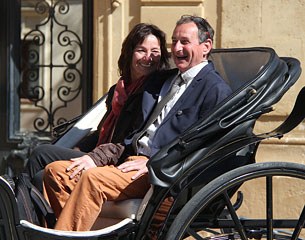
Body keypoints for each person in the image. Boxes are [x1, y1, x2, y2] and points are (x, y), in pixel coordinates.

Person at [43, 15, 233, 231]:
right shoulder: (167, 79)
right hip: (129, 158)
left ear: (206, 46)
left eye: (185, 42)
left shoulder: (215, 90)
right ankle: (78, 232)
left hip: (157, 171)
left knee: (92, 179)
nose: (177, 48)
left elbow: (204, 145)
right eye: (174, 41)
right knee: (57, 172)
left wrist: (154, 161)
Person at [25, 23, 170, 189]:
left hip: (119, 160)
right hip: (103, 154)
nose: (148, 57)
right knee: (39, 176)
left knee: (41, 154)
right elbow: (104, 132)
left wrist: (94, 157)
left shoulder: (153, 92)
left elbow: (130, 141)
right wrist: (79, 148)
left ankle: (17, 206)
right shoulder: (118, 90)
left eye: (155, 52)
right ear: (129, 53)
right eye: (141, 50)